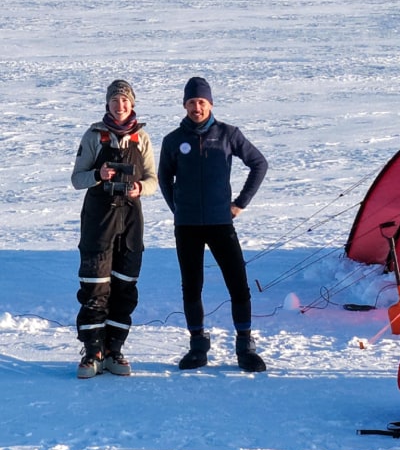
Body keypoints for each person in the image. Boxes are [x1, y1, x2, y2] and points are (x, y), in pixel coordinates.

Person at [158, 76, 268, 372]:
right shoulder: (173, 140)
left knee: (238, 284)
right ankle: (197, 346)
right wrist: (178, 209)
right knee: (192, 287)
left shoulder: (228, 134)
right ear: (185, 105)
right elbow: (164, 177)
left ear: (210, 104)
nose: (197, 108)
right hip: (187, 226)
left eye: (202, 102)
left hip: (221, 222)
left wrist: (240, 203)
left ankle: (245, 346)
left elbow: (259, 164)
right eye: (192, 102)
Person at [71, 79, 158, 378]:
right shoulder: (94, 135)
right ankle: (93, 351)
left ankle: (114, 350)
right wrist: (99, 174)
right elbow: (77, 179)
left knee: (124, 287)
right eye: (115, 100)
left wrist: (139, 188)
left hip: (130, 221)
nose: (120, 105)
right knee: (95, 285)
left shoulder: (141, 138)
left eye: (125, 100)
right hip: (98, 221)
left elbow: (153, 179)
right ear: (107, 104)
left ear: (132, 104)